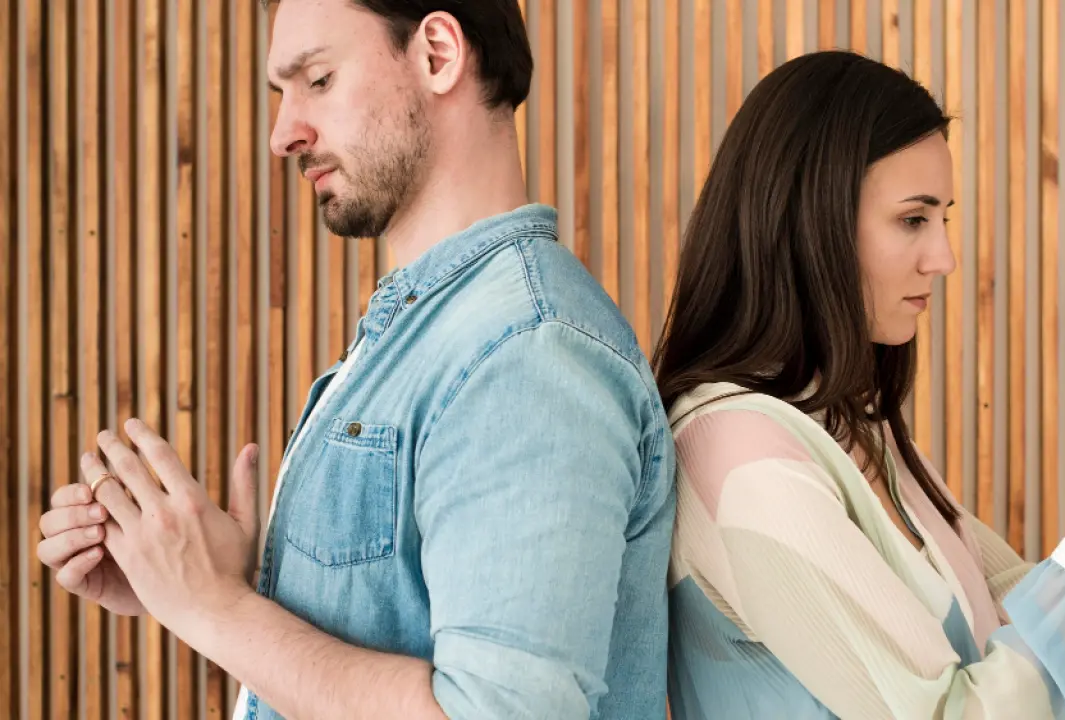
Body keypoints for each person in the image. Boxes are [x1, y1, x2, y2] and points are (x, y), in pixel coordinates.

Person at [34, 2, 675, 718]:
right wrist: (209, 584)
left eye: (318, 79)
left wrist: (214, 607)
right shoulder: (434, 333)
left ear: (437, 54)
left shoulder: (526, 355)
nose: (283, 133)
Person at [653, 51, 1065, 720]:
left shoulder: (854, 430)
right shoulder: (739, 460)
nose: (943, 258)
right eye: (913, 219)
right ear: (810, 222)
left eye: (942, 218)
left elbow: (1032, 643)